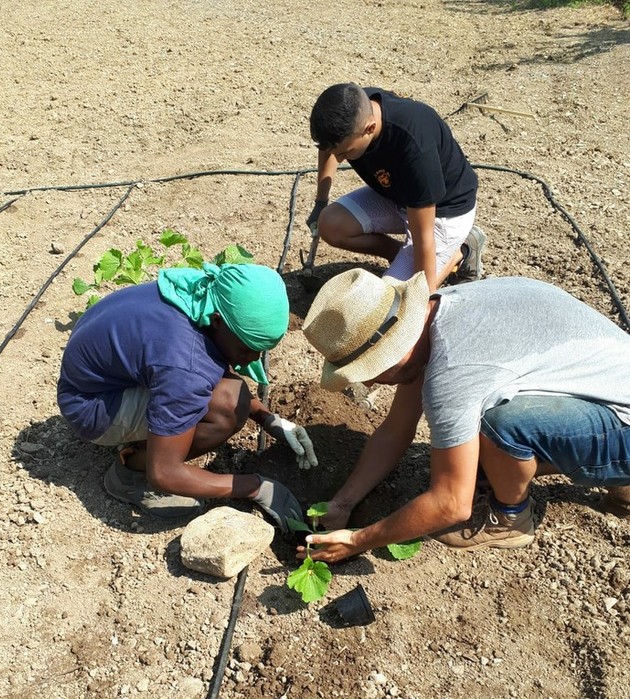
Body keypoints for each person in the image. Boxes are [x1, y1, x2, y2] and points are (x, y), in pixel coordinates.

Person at [298, 269, 630, 560]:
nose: (368, 381)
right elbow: (396, 429)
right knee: (473, 456)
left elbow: (451, 504)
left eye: (368, 370)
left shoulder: (452, 369)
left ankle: (512, 519)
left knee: (497, 428)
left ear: (394, 353)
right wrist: (343, 503)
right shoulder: (436, 315)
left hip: (622, 423)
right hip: (608, 387)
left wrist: (357, 541)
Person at [57, 262, 317, 531]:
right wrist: (254, 487)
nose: (253, 359)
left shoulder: (201, 294)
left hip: (101, 376)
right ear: (217, 320)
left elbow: (196, 363)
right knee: (227, 409)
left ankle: (146, 440)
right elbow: (164, 473)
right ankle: (130, 474)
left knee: (227, 392)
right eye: (248, 348)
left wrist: (268, 419)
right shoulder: (185, 363)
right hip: (90, 407)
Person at [307, 83, 485, 294]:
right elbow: (329, 149)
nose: (338, 159)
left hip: (443, 210)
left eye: (346, 153)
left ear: (370, 128)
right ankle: (397, 255)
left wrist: (420, 302)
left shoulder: (414, 148)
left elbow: (424, 239)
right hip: (398, 196)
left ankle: (463, 250)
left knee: (396, 299)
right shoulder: (352, 111)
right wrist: (321, 202)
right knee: (330, 223)